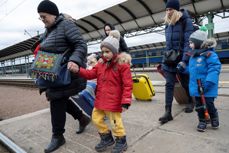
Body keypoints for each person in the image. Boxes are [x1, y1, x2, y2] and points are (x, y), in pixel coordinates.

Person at [36, 0, 90, 152]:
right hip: (54, 74)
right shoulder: (48, 30)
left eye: (43, 16)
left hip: (66, 72)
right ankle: (82, 118)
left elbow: (80, 44)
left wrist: (74, 60)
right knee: (59, 98)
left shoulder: (66, 25)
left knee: (56, 99)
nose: (42, 20)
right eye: (40, 17)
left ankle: (58, 136)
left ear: (53, 14)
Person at [69, 30, 133, 153]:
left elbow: (127, 84)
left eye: (107, 51)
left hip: (114, 101)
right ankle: (106, 138)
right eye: (103, 52)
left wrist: (125, 101)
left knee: (115, 123)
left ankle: (121, 141)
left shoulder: (122, 66)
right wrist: (78, 70)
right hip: (100, 100)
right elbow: (90, 74)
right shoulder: (100, 65)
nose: (104, 54)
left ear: (114, 51)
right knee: (96, 118)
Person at [159, 0, 195, 124]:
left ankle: (191, 101)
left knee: (185, 83)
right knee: (169, 84)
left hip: (182, 59)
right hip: (170, 59)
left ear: (176, 10)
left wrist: (185, 60)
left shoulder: (186, 21)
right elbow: (168, 44)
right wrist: (166, 57)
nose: (168, 12)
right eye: (167, 10)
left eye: (170, 10)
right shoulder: (167, 24)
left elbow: (188, 43)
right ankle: (167, 112)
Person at [188, 30, 221, 132]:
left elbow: (214, 69)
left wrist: (208, 83)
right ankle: (202, 120)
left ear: (198, 43)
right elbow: (192, 70)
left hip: (207, 87)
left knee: (209, 104)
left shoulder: (210, 55)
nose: (189, 45)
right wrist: (183, 68)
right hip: (197, 87)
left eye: (191, 42)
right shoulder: (193, 56)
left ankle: (214, 117)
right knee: (199, 106)